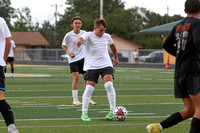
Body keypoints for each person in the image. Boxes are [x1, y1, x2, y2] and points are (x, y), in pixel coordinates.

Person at [146, 0, 200, 132]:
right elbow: (198, 41)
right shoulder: (198, 24)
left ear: (185, 10)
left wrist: (180, 55)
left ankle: (158, 127)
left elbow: (166, 45)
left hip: (179, 73)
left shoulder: (178, 26)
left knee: (190, 110)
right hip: (192, 71)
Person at [76, 18, 119, 121]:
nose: (102, 33)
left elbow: (113, 46)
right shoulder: (88, 35)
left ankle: (112, 111)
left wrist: (116, 57)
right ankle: (84, 113)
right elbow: (80, 38)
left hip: (106, 64)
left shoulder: (107, 36)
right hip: (92, 66)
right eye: (100, 30)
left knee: (109, 85)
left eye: (104, 30)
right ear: (95, 28)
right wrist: (79, 41)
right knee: (89, 88)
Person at [62, 16, 96, 106]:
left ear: (81, 24)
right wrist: (69, 53)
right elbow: (63, 45)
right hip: (73, 59)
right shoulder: (68, 35)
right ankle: (75, 99)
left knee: (87, 78)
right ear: (72, 24)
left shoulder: (84, 33)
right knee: (76, 77)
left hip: (83, 58)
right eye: (76, 23)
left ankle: (87, 98)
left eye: (79, 23)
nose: (77, 25)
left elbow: (89, 42)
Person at [0, 17, 19, 133]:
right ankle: (11, 126)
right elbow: (8, 41)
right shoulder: (1, 20)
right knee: (1, 98)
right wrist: (3, 60)